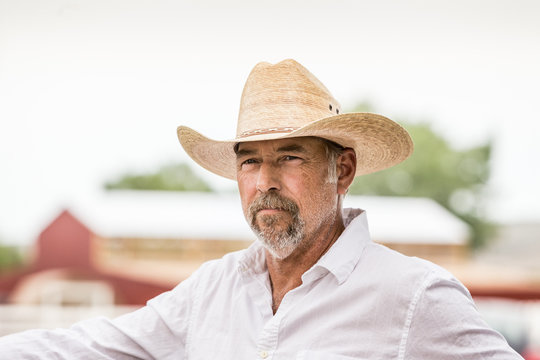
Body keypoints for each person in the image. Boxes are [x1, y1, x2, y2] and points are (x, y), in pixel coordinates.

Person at [0, 59, 522, 359]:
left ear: (342, 170)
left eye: (288, 157)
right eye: (249, 161)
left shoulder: (413, 296)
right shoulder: (214, 288)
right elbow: (90, 347)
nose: (264, 182)